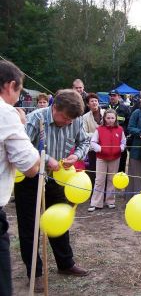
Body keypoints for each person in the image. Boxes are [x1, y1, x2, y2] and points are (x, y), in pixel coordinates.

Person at [14, 89, 90, 293]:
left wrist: (77, 155)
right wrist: (47, 159)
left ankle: (66, 263)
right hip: (30, 177)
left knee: (60, 219)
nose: (68, 123)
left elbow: (84, 141)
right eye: (65, 118)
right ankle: (35, 273)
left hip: (58, 179)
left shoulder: (75, 120)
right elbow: (23, 148)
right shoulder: (34, 120)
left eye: (71, 120)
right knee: (30, 226)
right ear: (54, 108)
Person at [0, 60, 40, 296]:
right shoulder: (7, 112)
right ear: (10, 85)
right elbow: (31, 167)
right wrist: (22, 125)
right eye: (19, 91)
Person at [88, 109, 126, 212]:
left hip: (115, 157)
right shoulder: (99, 129)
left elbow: (123, 142)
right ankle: (96, 202)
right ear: (104, 118)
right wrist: (100, 149)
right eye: (108, 118)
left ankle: (110, 201)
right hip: (101, 158)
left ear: (115, 118)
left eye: (112, 118)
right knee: (99, 180)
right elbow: (93, 142)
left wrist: (120, 149)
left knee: (111, 179)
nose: (110, 120)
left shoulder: (120, 129)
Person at [105, 89, 131, 173]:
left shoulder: (125, 108)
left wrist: (124, 134)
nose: (112, 97)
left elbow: (129, 123)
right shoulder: (105, 107)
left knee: (122, 160)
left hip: (120, 139)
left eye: (114, 95)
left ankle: (120, 178)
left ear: (119, 97)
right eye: (111, 95)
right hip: (107, 140)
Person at [82, 93, 105, 186]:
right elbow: (84, 133)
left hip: (106, 148)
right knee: (93, 170)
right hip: (92, 149)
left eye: (96, 100)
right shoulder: (85, 117)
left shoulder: (106, 113)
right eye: (92, 101)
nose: (94, 103)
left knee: (104, 171)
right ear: (88, 104)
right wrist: (97, 134)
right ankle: (93, 192)